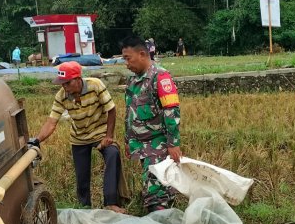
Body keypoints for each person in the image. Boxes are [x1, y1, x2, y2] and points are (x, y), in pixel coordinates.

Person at [28, 61, 126, 213]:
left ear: (78, 79)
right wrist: (36, 140)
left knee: (113, 153)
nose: (64, 87)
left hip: (100, 133)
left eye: (67, 83)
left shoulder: (96, 85)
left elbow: (111, 110)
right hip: (79, 137)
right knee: (82, 177)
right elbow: (51, 122)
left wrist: (109, 136)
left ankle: (111, 203)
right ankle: (84, 208)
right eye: (62, 84)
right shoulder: (62, 96)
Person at [122, 36, 182, 213]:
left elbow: (171, 111)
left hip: (157, 144)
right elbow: (130, 113)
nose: (126, 63)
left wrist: (173, 143)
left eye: (128, 58)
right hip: (140, 144)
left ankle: (160, 223)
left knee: (155, 191)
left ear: (142, 54)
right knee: (156, 185)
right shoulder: (134, 81)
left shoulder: (160, 77)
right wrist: (128, 140)